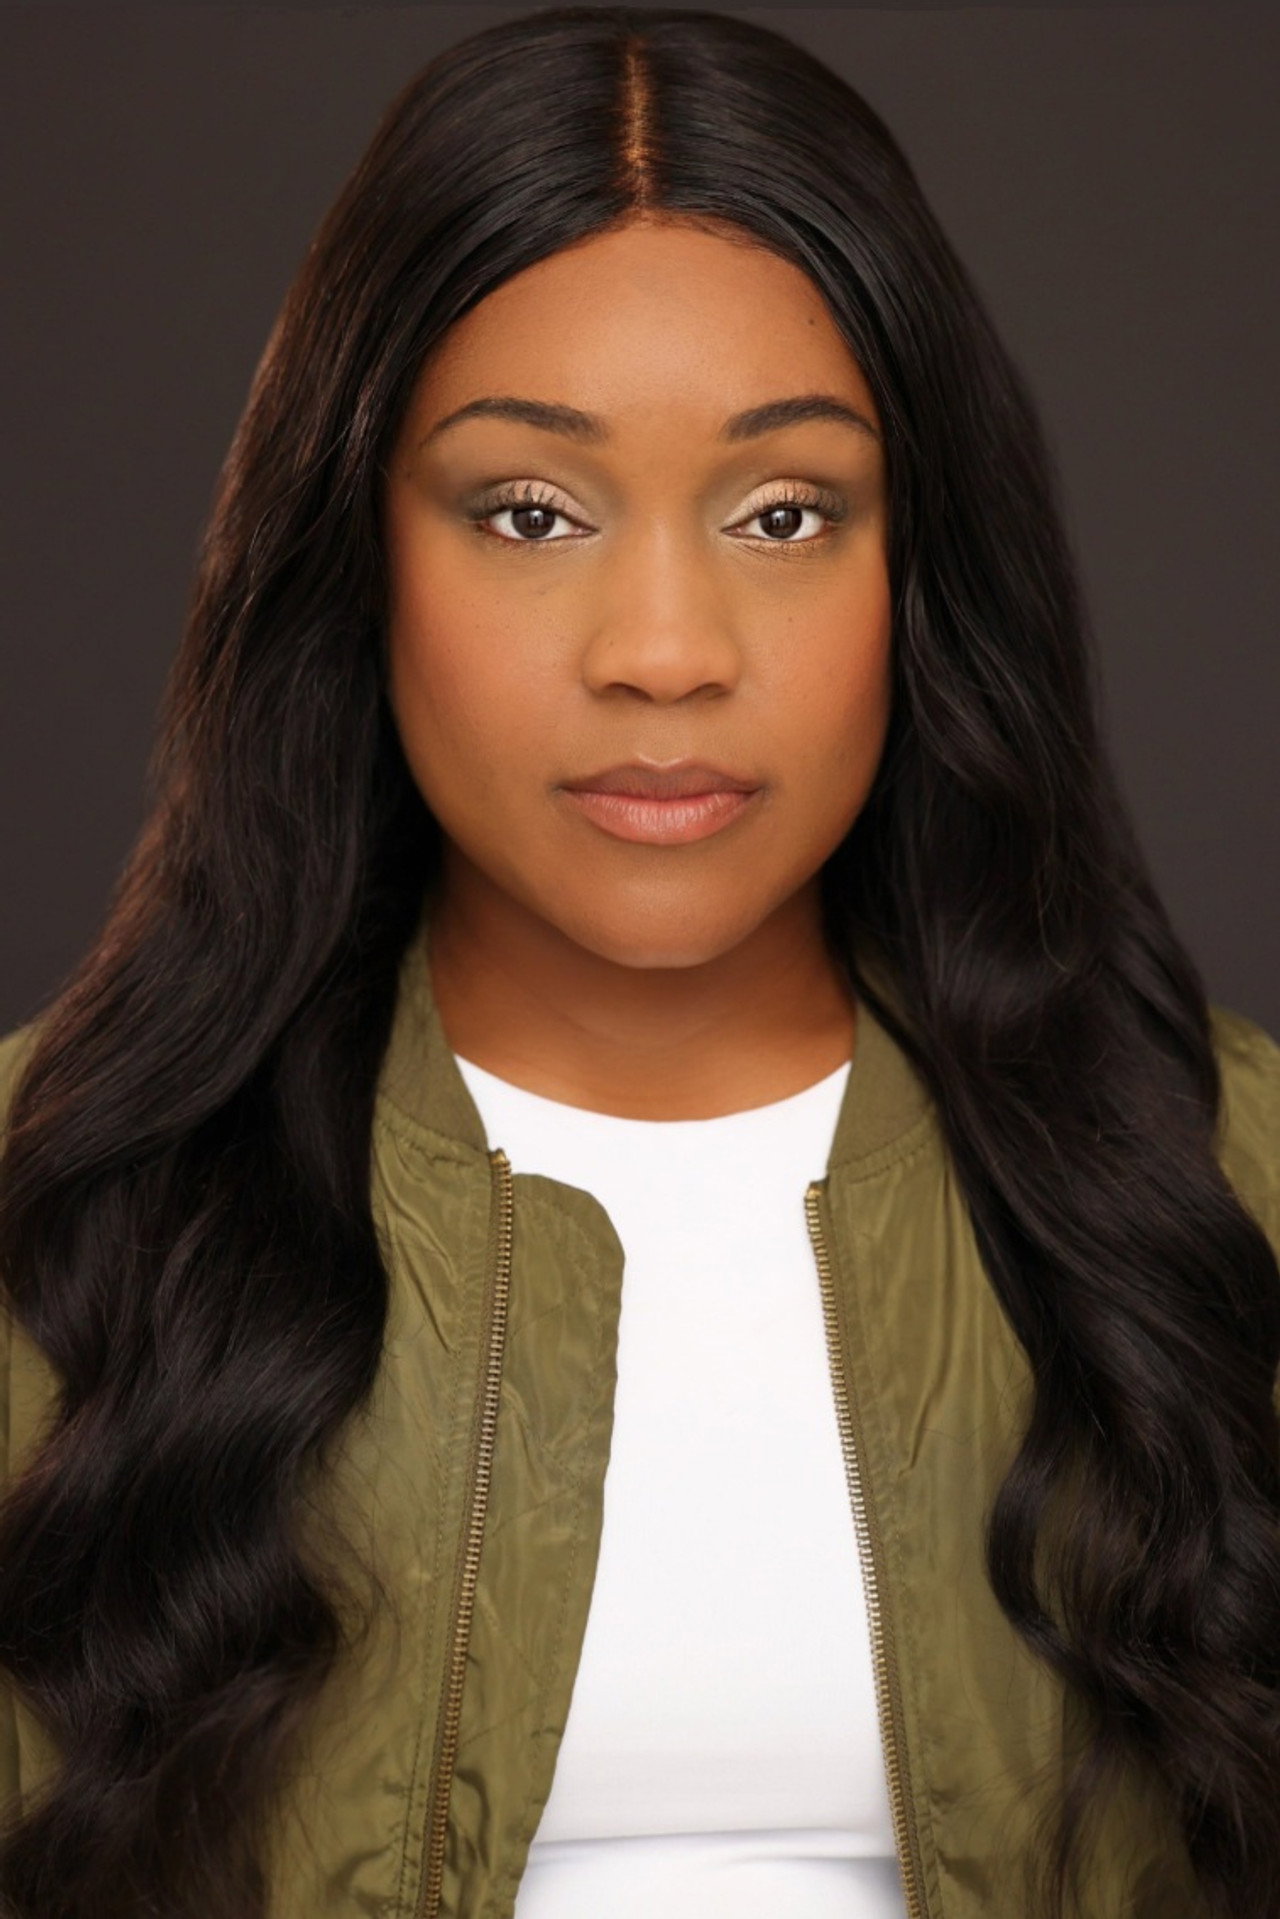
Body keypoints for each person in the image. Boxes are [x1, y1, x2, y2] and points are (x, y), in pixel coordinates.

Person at [0, 5, 1276, 1917]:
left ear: (918, 570)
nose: (664, 650)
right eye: (530, 511)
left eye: (784, 512)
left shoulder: (1235, 1184)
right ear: (359, 554)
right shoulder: (48, 1197)